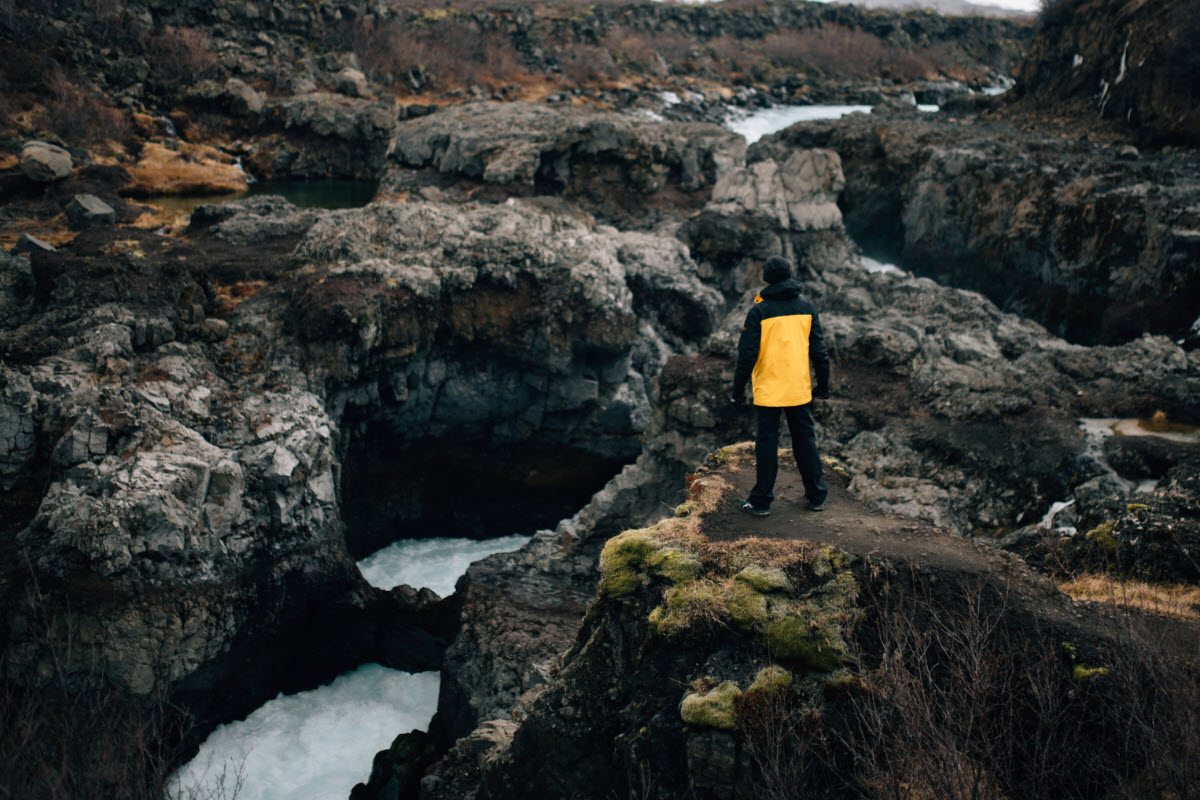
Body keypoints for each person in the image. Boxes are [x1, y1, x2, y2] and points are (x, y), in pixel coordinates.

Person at [730, 256, 830, 516]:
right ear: (789, 275)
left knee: (767, 443)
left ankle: (761, 501)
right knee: (805, 440)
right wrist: (823, 385)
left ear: (766, 278)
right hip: (798, 387)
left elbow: (747, 355)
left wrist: (737, 391)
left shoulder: (759, 311)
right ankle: (816, 496)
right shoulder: (807, 307)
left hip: (769, 389)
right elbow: (820, 351)